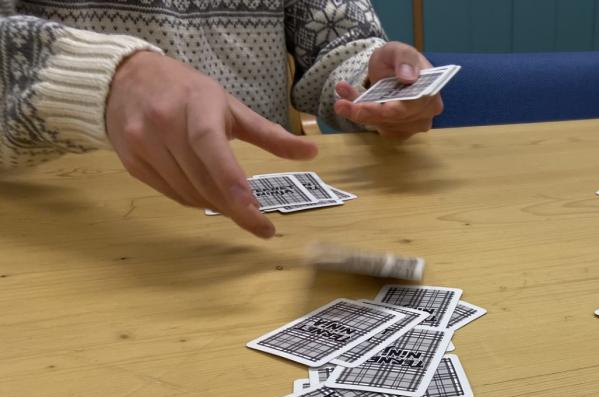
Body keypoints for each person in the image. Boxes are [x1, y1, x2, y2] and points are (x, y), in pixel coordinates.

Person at [0, 1, 442, 238]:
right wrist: (101, 77)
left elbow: (339, 39)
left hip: (268, 218)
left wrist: (371, 81)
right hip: (64, 221)